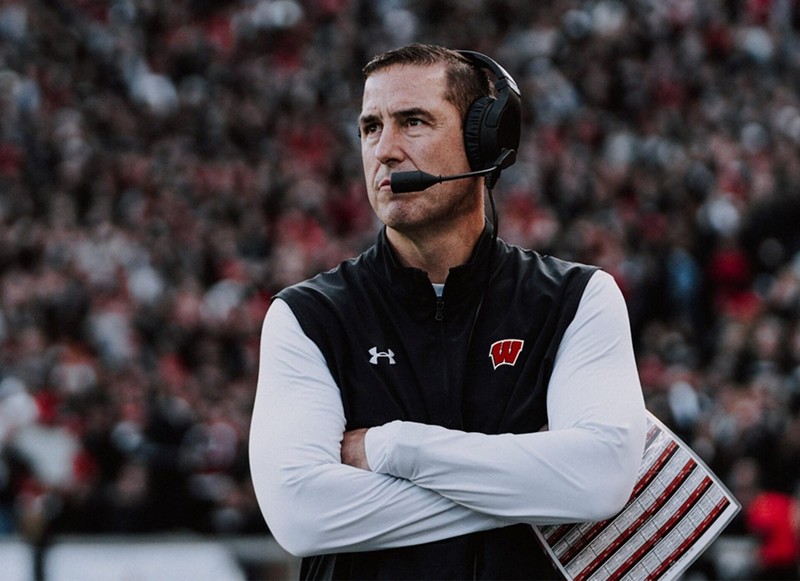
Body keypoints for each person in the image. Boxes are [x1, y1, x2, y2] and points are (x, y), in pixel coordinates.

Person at [249, 43, 647, 579]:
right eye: (370, 127)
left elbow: (601, 477)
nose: (384, 150)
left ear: (487, 141)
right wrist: (532, 492)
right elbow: (302, 515)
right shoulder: (307, 316)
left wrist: (395, 446)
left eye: (412, 122)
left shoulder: (579, 299)